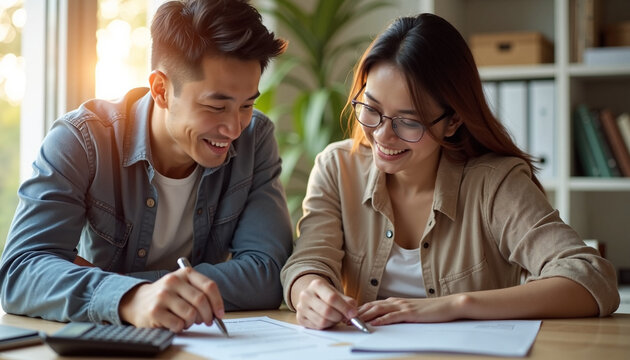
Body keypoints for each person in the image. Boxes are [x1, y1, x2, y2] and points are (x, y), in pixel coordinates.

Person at [280, 13, 620, 330]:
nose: (382, 135)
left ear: (453, 120)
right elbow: (307, 263)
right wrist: (308, 291)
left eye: (408, 121)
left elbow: (591, 278)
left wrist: (455, 306)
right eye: (371, 108)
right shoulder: (337, 167)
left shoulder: (495, 183)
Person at [0, 0, 293, 333]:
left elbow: (267, 273)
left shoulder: (255, 138)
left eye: (247, 104)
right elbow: (20, 271)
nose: (235, 127)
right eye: (216, 106)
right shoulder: (82, 140)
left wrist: (122, 286)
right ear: (161, 90)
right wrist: (131, 298)